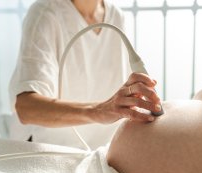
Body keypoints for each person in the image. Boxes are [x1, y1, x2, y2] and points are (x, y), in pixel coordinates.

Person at [9, 0, 162, 149]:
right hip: (48, 149)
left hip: (102, 151)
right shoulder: (45, 13)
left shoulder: (116, 16)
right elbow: (26, 108)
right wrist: (99, 111)